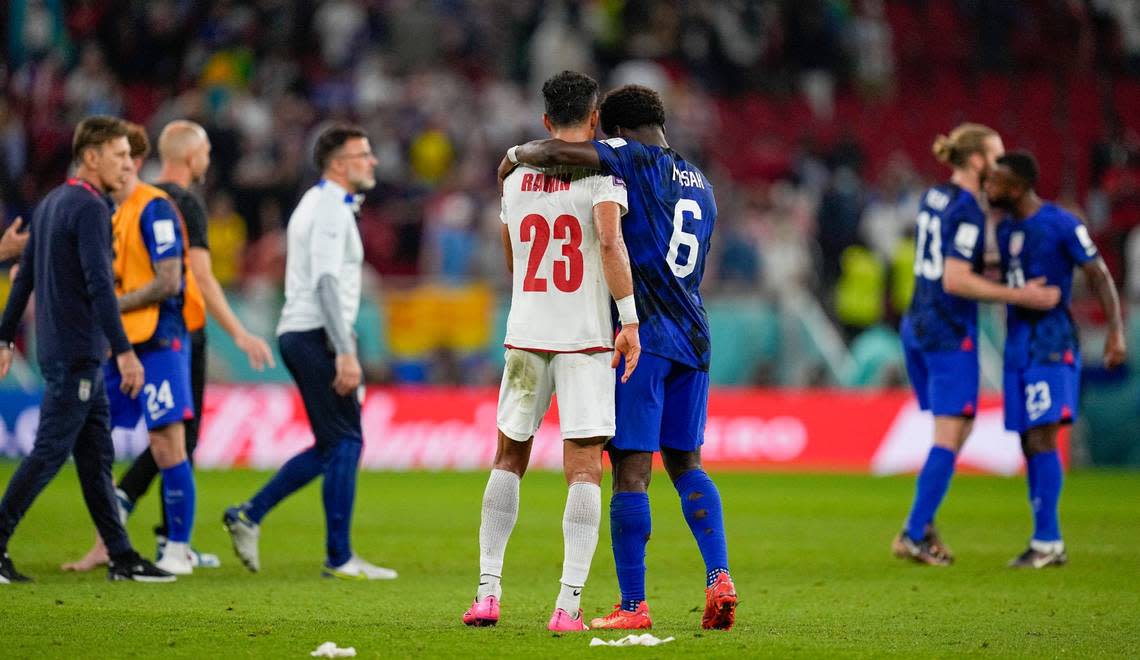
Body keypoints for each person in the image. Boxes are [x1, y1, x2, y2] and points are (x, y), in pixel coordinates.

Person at [501, 84, 737, 630]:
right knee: (687, 463)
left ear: (612, 126)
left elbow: (559, 154)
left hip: (644, 338)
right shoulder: (703, 184)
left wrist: (514, 156)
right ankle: (719, 576)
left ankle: (633, 605)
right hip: (695, 336)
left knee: (631, 472)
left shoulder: (631, 159)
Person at [462, 71, 640, 632]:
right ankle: (567, 607)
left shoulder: (513, 179)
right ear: (594, 119)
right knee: (584, 469)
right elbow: (610, 243)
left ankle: (487, 593)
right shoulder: (605, 177)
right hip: (584, 339)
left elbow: (513, 256)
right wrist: (629, 319)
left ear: (545, 121)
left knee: (507, 457)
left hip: (526, 333)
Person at [0, 115, 172, 583]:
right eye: (118, 155)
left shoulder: (52, 202)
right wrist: (125, 351)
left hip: (65, 350)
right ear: (91, 158)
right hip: (79, 352)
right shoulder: (93, 208)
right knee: (49, 452)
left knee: (96, 458)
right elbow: (100, 285)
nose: (128, 164)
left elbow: (26, 277)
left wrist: (4, 337)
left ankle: (121, 555)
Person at [223, 124, 395, 580]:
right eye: (363, 154)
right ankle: (339, 558)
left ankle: (249, 514)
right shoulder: (331, 209)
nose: (372, 161)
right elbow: (324, 281)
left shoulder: (317, 203)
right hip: (316, 332)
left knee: (330, 445)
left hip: (308, 331)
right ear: (338, 164)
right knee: (347, 440)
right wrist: (344, 350)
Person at [106, 120, 275, 568]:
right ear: (190, 156)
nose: (208, 160)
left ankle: (153, 528)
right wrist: (238, 332)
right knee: (181, 434)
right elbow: (199, 276)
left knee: (168, 434)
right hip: (178, 333)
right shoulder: (184, 204)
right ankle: (153, 528)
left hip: (137, 331)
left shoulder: (135, 200)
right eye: (205, 152)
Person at [892, 124, 1061, 566]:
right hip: (947, 328)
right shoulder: (967, 208)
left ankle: (924, 527)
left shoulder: (935, 195)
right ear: (975, 161)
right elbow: (956, 277)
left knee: (953, 430)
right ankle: (912, 533)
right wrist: (1020, 294)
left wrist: (1007, 264)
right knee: (951, 432)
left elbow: (950, 257)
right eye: (996, 154)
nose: (1002, 163)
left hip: (917, 321)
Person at [61, 123, 210, 575]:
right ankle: (107, 545)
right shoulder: (111, 213)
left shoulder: (155, 208)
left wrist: (107, 305)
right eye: (116, 156)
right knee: (98, 447)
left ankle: (178, 548)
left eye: (127, 157)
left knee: (168, 445)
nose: (122, 165)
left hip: (159, 340)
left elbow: (169, 281)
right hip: (122, 344)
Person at [987, 151, 1127, 568]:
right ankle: (1044, 539)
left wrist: (1116, 332)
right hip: (1018, 346)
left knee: (1044, 437)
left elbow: (1098, 273)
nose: (989, 187)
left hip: (1051, 344)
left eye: (995, 182)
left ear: (1016, 187)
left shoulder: (1062, 223)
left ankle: (1048, 541)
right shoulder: (1009, 227)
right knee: (1029, 441)